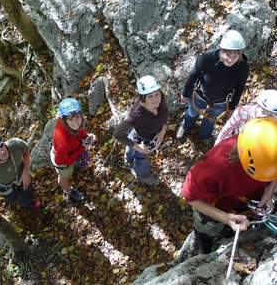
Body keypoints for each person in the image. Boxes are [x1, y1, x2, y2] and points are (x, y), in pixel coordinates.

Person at [181, 117, 277, 254]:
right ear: (251, 166)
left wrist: (269, 190)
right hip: (215, 208)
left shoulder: (264, 138)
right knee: (206, 229)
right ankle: (202, 240)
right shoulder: (218, 168)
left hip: (246, 200)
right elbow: (191, 197)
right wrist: (225, 218)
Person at [176, 30, 250, 144]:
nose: (230, 59)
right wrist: (185, 94)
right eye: (228, 54)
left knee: (210, 119)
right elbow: (193, 75)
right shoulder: (207, 58)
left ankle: (204, 135)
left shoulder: (243, 67)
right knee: (192, 112)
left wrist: (232, 107)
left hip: (221, 100)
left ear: (240, 54)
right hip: (201, 94)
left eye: (235, 56)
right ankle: (185, 127)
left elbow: (239, 88)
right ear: (221, 50)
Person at [113, 75, 168, 186]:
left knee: (131, 149)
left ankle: (128, 159)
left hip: (148, 134)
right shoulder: (137, 115)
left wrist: (162, 131)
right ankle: (144, 176)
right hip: (140, 139)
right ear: (143, 98)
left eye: (157, 94)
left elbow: (165, 115)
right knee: (141, 159)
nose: (155, 99)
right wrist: (139, 148)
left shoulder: (161, 100)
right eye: (150, 96)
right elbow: (117, 134)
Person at [50, 98, 95, 203]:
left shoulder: (66, 123)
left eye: (78, 117)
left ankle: (79, 167)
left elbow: (78, 131)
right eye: (71, 119)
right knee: (65, 176)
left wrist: (87, 136)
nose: (76, 123)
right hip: (62, 160)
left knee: (79, 162)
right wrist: (83, 148)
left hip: (72, 150)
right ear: (65, 120)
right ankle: (69, 190)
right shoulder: (63, 143)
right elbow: (59, 161)